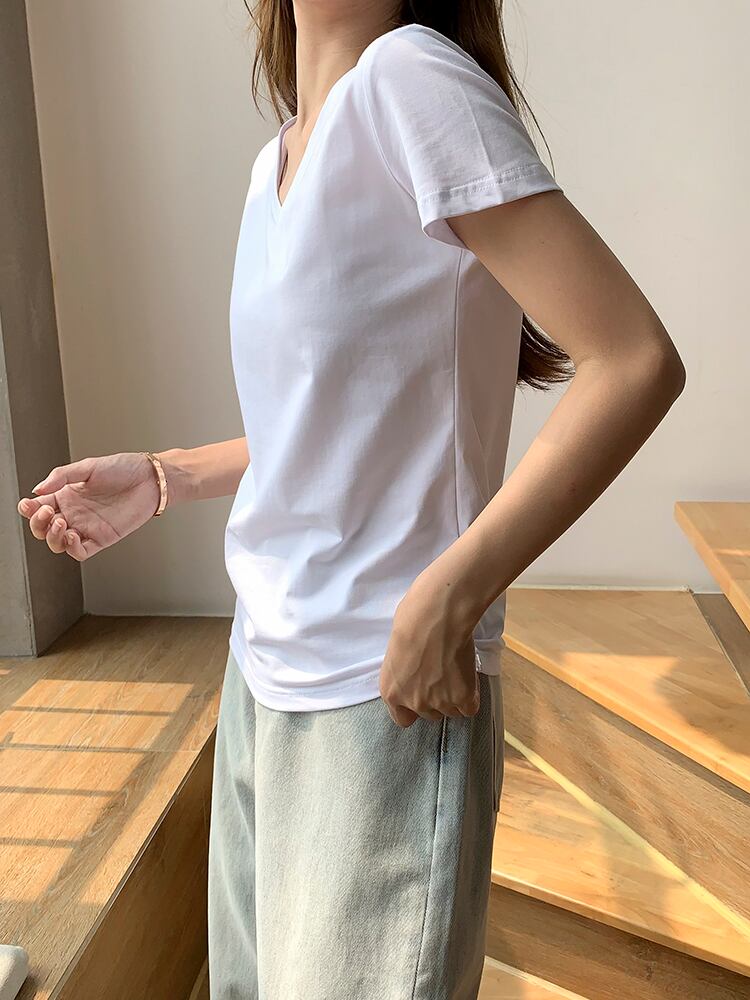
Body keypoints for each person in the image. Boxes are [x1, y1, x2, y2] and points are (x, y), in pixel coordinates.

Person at [16, 3, 685, 998]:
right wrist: (167, 475)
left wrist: (452, 594)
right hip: (262, 668)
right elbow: (335, 413)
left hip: (386, 692)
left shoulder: (414, 79)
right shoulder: (277, 159)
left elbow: (633, 361)